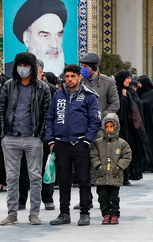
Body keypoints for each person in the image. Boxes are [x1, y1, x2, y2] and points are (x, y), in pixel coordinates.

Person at [0, 52, 52, 226]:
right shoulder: (8, 86)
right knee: (12, 177)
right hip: (11, 137)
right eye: (20, 65)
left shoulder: (42, 88)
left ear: (33, 67)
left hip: (33, 137)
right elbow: (1, 110)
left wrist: (41, 135)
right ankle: (12, 213)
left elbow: (47, 113)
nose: (23, 69)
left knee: (35, 177)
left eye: (26, 65)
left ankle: (34, 213)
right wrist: (3, 135)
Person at [46, 64, 101, 226]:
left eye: (72, 76)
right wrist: (51, 141)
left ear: (79, 77)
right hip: (61, 143)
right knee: (63, 180)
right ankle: (64, 213)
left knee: (83, 179)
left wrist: (86, 141)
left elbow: (95, 120)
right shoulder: (58, 95)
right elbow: (50, 119)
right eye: (67, 76)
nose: (69, 79)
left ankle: (84, 213)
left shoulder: (89, 96)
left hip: (80, 143)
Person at [9, 0, 68, 75]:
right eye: (45, 36)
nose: (54, 45)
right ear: (27, 38)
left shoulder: (70, 75)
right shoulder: (11, 73)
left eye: (58, 35)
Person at [90, 113, 132, 225]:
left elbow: (127, 155)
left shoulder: (122, 143)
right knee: (102, 196)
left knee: (114, 196)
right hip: (102, 176)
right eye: (107, 127)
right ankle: (105, 214)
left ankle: (114, 214)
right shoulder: (98, 143)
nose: (109, 129)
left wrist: (119, 167)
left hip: (115, 175)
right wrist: (98, 166)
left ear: (116, 127)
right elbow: (93, 155)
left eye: (111, 127)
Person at [113, 71, 150, 184]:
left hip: (130, 128)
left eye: (130, 78)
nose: (129, 80)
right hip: (119, 128)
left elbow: (138, 106)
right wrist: (123, 99)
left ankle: (127, 175)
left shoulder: (130, 91)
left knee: (128, 151)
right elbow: (116, 108)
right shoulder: (115, 91)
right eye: (127, 78)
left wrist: (127, 97)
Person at [78, 53, 119, 120]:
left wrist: (102, 116)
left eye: (86, 66)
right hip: (81, 125)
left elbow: (115, 104)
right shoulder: (79, 82)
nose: (83, 68)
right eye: (82, 66)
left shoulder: (108, 82)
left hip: (100, 126)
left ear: (94, 67)